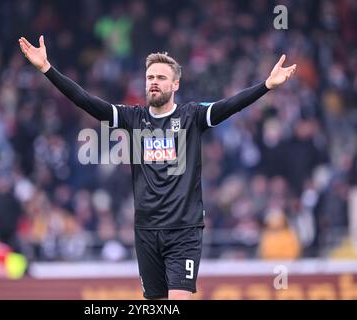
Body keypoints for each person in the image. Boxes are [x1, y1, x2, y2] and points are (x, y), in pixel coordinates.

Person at [19, 35, 296, 300]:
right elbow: (86, 102)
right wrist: (47, 69)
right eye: (150, 77)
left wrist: (266, 86)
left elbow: (231, 105)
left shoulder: (192, 116)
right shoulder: (133, 117)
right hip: (146, 230)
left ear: (175, 84)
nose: (154, 82)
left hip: (184, 229)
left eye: (161, 78)